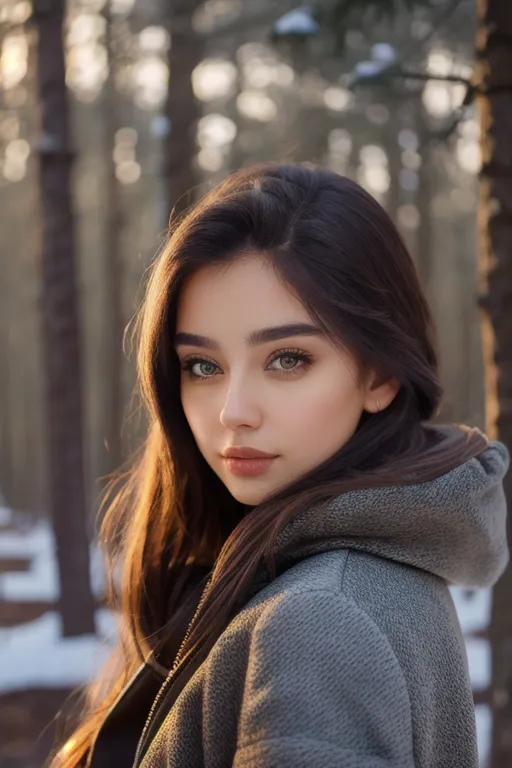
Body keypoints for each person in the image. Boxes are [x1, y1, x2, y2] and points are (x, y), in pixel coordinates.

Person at [51, 162, 509, 768]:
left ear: (381, 374)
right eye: (202, 366)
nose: (233, 412)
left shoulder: (319, 620)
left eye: (288, 359)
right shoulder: (361, 574)